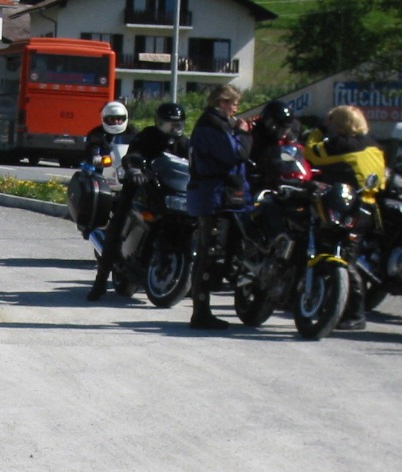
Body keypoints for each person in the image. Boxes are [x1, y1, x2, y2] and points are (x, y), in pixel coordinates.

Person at [87, 102, 189, 301]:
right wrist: (134, 169)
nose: (174, 129)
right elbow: (134, 154)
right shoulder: (148, 136)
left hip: (169, 193)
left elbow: (194, 165)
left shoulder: (184, 144)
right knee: (117, 224)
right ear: (160, 123)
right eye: (169, 124)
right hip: (141, 188)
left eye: (177, 125)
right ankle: (100, 280)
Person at [304, 105, 387, 330]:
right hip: (369, 208)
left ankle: (355, 313)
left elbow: (311, 152)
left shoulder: (342, 144)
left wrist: (320, 129)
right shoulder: (375, 145)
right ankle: (342, 308)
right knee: (349, 258)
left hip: (346, 206)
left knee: (342, 259)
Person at [186, 84, 253, 330]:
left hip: (217, 195)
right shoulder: (212, 125)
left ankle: (202, 310)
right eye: (233, 104)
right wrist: (244, 134)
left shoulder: (215, 124)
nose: (236, 109)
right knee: (211, 253)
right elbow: (235, 154)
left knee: (216, 252)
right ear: (222, 102)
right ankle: (201, 312)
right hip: (213, 196)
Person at [248, 99, 300, 192]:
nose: (284, 133)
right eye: (281, 128)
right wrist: (290, 167)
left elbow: (294, 147)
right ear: (270, 123)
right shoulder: (258, 135)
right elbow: (273, 163)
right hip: (256, 185)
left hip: (268, 182)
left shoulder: (272, 138)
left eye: (286, 129)